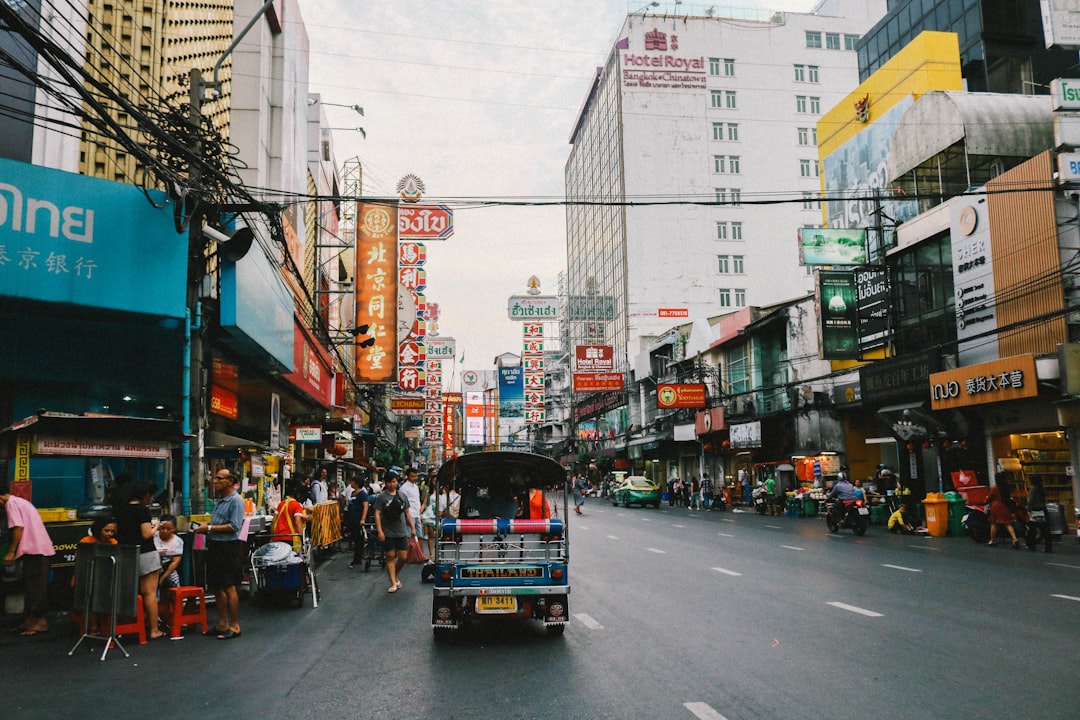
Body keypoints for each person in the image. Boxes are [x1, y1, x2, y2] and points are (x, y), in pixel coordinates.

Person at [194, 469, 245, 639]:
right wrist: (207, 526)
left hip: (227, 547)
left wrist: (208, 528)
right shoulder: (220, 500)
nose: (215, 481)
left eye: (219, 478)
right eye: (215, 478)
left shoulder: (236, 501)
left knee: (229, 586)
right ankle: (222, 623)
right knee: (216, 585)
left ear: (230, 481)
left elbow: (234, 526)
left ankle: (234, 625)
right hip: (215, 545)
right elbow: (219, 522)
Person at [0, 485, 57, 636]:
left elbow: (18, 527)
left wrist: (11, 552)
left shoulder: (11, 504)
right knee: (32, 585)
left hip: (35, 550)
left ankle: (39, 623)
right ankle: (30, 621)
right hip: (36, 549)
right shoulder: (20, 502)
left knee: (36, 588)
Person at [114, 481, 166, 641]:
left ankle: (127, 625)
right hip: (145, 554)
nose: (151, 500)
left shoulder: (120, 510)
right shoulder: (142, 511)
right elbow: (146, 534)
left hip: (126, 554)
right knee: (149, 593)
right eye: (151, 496)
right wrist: (156, 526)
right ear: (145, 496)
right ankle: (154, 630)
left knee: (130, 591)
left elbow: (117, 531)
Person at [373, 472, 415, 593]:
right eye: (389, 482)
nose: (392, 484)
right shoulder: (382, 497)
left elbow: (407, 512)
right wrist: (380, 531)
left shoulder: (402, 496)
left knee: (403, 557)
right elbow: (377, 514)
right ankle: (393, 582)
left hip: (401, 531)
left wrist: (412, 528)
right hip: (388, 532)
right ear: (385, 483)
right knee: (390, 556)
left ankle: (394, 574)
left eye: (394, 481)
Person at [272, 481, 309, 552]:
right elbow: (297, 522)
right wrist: (302, 537)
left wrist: (272, 536)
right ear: (299, 495)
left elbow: (274, 521)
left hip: (277, 538)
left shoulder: (281, 504)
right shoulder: (297, 505)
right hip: (290, 539)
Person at [344, 477, 369, 568]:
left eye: (352, 482)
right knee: (354, 539)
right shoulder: (352, 493)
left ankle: (357, 560)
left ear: (357, 483)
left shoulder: (362, 494)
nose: (351, 483)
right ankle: (357, 558)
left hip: (358, 520)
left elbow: (365, 506)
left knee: (359, 540)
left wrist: (363, 519)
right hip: (352, 520)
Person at [154, 514, 184, 590]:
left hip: (168, 569)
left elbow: (175, 562)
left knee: (175, 582)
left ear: (174, 529)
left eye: (168, 529)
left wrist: (163, 578)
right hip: (154, 568)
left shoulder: (178, 541)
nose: (165, 531)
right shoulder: (153, 536)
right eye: (163, 528)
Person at [1026, 475, 1052, 553]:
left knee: (1032, 528)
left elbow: (1031, 500)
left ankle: (1031, 545)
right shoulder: (1042, 488)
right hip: (1043, 509)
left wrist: (1029, 509)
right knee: (1045, 529)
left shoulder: (1033, 488)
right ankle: (1048, 547)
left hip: (1036, 510)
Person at [399, 467, 423, 542]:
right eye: (412, 476)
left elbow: (417, 501)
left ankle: (419, 553)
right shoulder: (404, 488)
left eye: (416, 476)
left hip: (417, 514)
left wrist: (419, 513)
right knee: (409, 536)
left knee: (420, 536)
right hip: (410, 514)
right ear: (408, 476)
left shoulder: (416, 487)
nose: (415, 478)